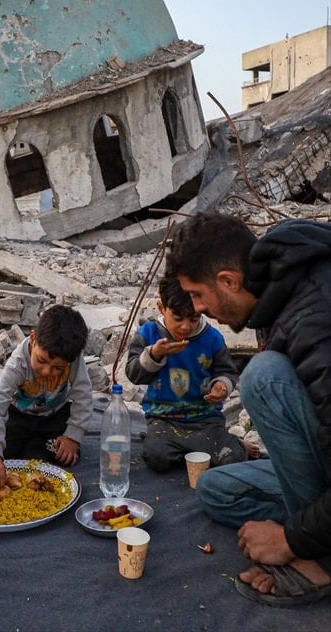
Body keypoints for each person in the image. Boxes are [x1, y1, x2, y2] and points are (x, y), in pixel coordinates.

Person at [167, 212, 331, 606]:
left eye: (197, 295)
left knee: (264, 377)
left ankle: (316, 561)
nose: (198, 309)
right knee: (215, 489)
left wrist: (291, 540)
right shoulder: (277, 292)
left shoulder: (317, 319)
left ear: (228, 280)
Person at [125, 276, 248, 473]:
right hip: (163, 418)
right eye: (177, 317)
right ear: (161, 307)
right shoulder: (148, 334)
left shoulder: (212, 338)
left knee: (232, 457)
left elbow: (228, 371)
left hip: (205, 419)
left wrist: (222, 386)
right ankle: (194, 453)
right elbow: (133, 374)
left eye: (193, 319)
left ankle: (227, 446)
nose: (185, 326)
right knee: (157, 457)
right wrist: (154, 355)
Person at [0, 304, 91, 487]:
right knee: (1, 453)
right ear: (32, 339)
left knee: (67, 456)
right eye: (42, 361)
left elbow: (83, 397)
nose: (47, 371)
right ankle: (34, 446)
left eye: (58, 368)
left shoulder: (75, 360)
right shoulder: (18, 364)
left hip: (55, 415)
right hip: (20, 415)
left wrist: (72, 437)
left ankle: (39, 445)